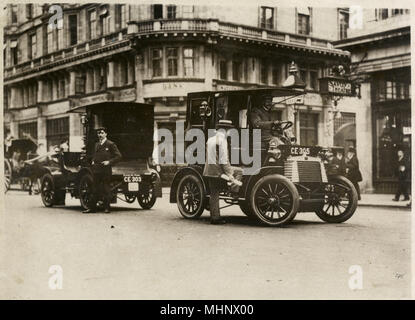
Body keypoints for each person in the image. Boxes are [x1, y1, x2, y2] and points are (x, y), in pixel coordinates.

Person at [203, 120, 242, 225]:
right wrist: (230, 174)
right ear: (225, 130)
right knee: (240, 171)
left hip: (209, 170)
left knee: (214, 193)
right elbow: (224, 160)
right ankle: (234, 191)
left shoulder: (210, 139)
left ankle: (215, 217)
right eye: (229, 130)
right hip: (218, 171)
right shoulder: (222, 140)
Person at [83, 127, 122, 214]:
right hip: (96, 170)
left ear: (106, 134)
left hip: (105, 170)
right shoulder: (97, 144)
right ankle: (92, 208)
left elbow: (119, 156)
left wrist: (109, 162)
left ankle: (107, 208)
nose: (100, 135)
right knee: (94, 188)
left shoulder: (111, 144)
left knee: (106, 188)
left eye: (102, 133)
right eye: (98, 133)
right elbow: (96, 155)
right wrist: (93, 160)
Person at [250, 94, 284, 161]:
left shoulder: (269, 113)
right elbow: (256, 124)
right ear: (263, 102)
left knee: (285, 140)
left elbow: (271, 126)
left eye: (270, 101)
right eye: (267, 101)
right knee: (277, 141)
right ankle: (275, 159)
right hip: (260, 136)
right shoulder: (256, 111)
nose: (269, 103)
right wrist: (272, 123)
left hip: (269, 136)